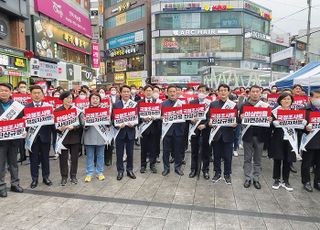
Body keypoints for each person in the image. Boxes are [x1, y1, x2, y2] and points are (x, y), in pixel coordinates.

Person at [269, 93, 303, 191]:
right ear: (280, 101)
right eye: (284, 99)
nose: (286, 101)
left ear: (292, 101)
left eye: (288, 99)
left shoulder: (296, 113)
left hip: (291, 139)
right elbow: (270, 127)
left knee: (288, 160)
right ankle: (276, 179)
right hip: (278, 139)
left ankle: (286, 180)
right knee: (277, 160)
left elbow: (299, 128)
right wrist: (271, 122)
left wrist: (302, 124)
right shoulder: (274, 112)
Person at [241, 85, 270, 189]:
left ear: (260, 93)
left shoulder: (265, 106)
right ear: (249, 93)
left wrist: (269, 120)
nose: (255, 94)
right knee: (247, 158)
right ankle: (247, 178)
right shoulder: (244, 105)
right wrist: (241, 118)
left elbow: (268, 123)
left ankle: (256, 178)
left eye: (257, 92)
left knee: (258, 159)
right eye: (253, 92)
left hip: (260, 136)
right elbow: (239, 120)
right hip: (247, 136)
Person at [25, 85, 53, 189]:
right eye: (34, 93)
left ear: (43, 94)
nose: (37, 95)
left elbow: (52, 125)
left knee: (45, 158)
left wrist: (53, 119)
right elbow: (23, 125)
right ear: (31, 95)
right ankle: (34, 179)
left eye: (39, 93)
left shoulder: (48, 107)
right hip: (33, 139)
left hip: (45, 137)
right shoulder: (26, 108)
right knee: (34, 159)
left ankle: (46, 177)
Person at [209, 84, 237, 185]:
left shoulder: (233, 105)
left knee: (228, 156)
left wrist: (235, 123)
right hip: (216, 134)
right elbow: (209, 117)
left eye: (225, 90)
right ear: (218, 92)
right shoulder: (213, 104)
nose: (223, 92)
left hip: (228, 134)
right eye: (221, 90)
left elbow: (236, 119)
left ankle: (227, 174)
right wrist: (209, 122)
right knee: (216, 155)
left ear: (229, 92)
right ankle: (217, 173)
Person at [0, 83, 24, 197]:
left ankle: (15, 184)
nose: (3, 92)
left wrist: (23, 130)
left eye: (5, 90)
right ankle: (1, 186)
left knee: (13, 163)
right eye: (1, 90)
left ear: (10, 93)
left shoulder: (17, 106)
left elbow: (22, 121)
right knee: (1, 164)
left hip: (14, 140)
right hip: (1, 142)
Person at [54, 91, 83, 186]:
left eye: (71, 98)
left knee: (74, 158)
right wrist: (59, 129)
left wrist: (74, 127)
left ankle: (73, 176)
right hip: (63, 138)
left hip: (74, 138)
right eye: (67, 98)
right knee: (63, 158)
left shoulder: (76, 110)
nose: (69, 100)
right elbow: (54, 126)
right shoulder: (57, 111)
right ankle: (64, 177)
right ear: (63, 99)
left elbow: (81, 125)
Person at [113, 85, 137, 180]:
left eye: (128, 91)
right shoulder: (116, 105)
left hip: (130, 131)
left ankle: (129, 170)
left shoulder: (134, 104)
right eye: (124, 92)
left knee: (130, 153)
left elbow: (137, 117)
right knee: (119, 153)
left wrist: (134, 124)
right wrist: (117, 125)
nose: (126, 93)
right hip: (120, 132)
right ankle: (120, 171)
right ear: (120, 93)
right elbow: (113, 120)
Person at [161, 85, 185, 176]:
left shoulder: (182, 104)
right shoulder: (163, 104)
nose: (172, 93)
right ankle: (166, 168)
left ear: (177, 92)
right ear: (167, 93)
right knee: (166, 151)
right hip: (167, 131)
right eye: (170, 92)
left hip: (179, 131)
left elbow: (186, 117)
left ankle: (177, 167)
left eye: (174, 91)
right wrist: (161, 117)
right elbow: (159, 116)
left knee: (178, 151)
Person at [189, 85, 210, 180]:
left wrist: (205, 125)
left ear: (207, 92)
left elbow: (211, 117)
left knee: (206, 151)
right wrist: (191, 119)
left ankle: (205, 170)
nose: (201, 92)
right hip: (194, 130)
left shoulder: (210, 103)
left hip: (206, 130)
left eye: (203, 91)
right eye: (199, 91)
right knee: (194, 151)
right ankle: (193, 169)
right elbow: (187, 115)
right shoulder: (192, 102)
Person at [83, 93, 106, 182]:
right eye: (93, 98)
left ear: (100, 100)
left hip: (101, 136)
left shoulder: (104, 111)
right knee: (89, 156)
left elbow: (108, 124)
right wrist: (86, 122)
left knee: (100, 155)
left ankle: (99, 172)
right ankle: (89, 173)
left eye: (97, 98)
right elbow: (83, 125)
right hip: (89, 136)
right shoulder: (85, 111)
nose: (95, 100)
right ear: (90, 100)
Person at [301, 89, 320, 192]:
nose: (318, 100)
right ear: (310, 98)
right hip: (309, 141)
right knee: (307, 163)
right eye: (316, 97)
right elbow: (297, 126)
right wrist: (305, 127)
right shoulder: (304, 110)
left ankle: (317, 182)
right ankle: (306, 181)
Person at [138, 85, 157, 174]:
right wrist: (142, 119)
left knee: (153, 147)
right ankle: (143, 165)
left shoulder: (156, 102)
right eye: (147, 91)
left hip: (154, 129)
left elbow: (161, 115)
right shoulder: (139, 103)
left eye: (150, 90)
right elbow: (136, 115)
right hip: (143, 129)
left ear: (153, 92)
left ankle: (152, 164)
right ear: (144, 92)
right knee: (143, 148)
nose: (149, 92)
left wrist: (156, 117)